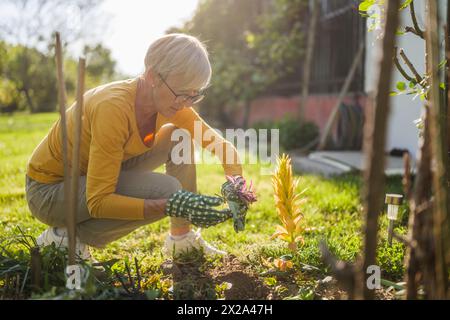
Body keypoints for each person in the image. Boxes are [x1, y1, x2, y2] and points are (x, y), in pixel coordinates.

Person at [25, 33, 245, 261]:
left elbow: (221, 146)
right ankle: (65, 239)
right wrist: (170, 205)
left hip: (91, 175)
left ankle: (181, 240)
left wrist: (237, 186)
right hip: (50, 192)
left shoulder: (172, 104)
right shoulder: (113, 108)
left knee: (180, 136)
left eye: (194, 95)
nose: (186, 103)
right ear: (152, 76)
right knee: (168, 190)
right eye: (181, 93)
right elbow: (98, 202)